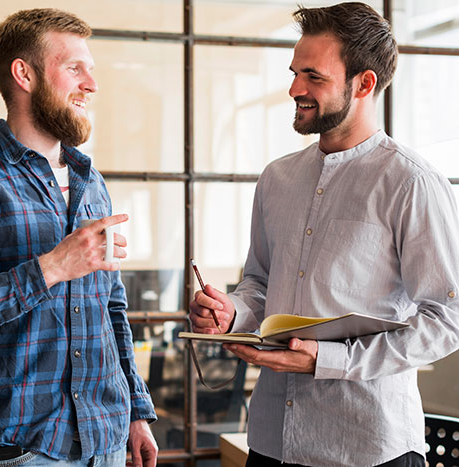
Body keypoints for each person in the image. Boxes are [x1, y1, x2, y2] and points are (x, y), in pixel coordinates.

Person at [189, 3, 459, 467]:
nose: (295, 89)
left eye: (314, 76)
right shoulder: (276, 178)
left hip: (367, 447)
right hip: (272, 443)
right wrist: (231, 311)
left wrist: (327, 359)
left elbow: (448, 317)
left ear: (364, 83)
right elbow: (259, 283)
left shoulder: (410, 182)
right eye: (295, 73)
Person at [0, 8, 158, 467]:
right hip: (23, 451)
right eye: (74, 68)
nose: (91, 84)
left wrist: (136, 411)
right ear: (24, 74)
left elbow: (111, 307)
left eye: (91, 70)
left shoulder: (91, 181)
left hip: (104, 441)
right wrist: (52, 268)